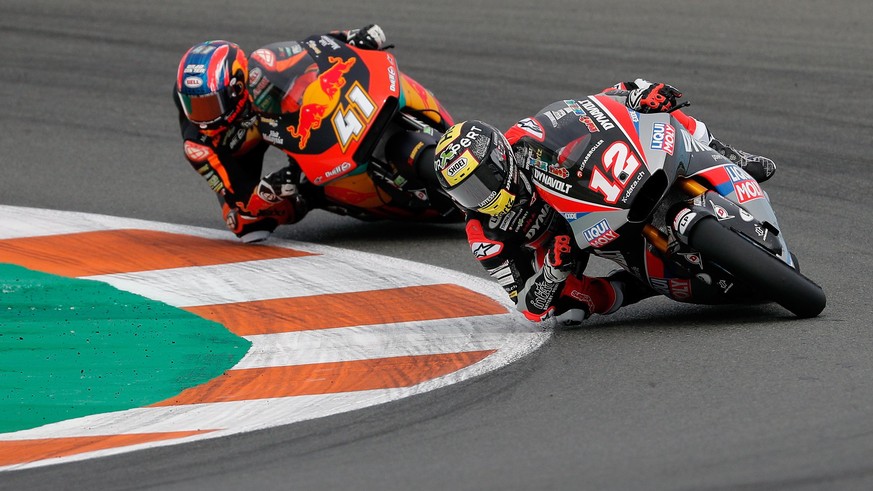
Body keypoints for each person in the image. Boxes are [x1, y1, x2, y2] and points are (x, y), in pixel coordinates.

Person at [432, 80, 777, 326]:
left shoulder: (524, 137)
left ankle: (725, 152)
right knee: (566, 311)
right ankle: (632, 287)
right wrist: (552, 273)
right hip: (566, 244)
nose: (480, 198)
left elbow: (592, 106)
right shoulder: (483, 233)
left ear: (498, 160)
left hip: (593, 194)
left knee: (658, 109)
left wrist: (637, 95)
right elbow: (525, 304)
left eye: (481, 184)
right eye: (465, 193)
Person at [173, 25, 387, 242]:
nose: (202, 117)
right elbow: (242, 197)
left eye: (210, 105)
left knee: (308, 87)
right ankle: (314, 195)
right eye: (192, 106)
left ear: (236, 87)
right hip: (238, 156)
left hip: (269, 121)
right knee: (246, 224)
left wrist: (351, 37)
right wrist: (269, 189)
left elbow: (310, 48)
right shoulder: (198, 147)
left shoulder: (261, 65)